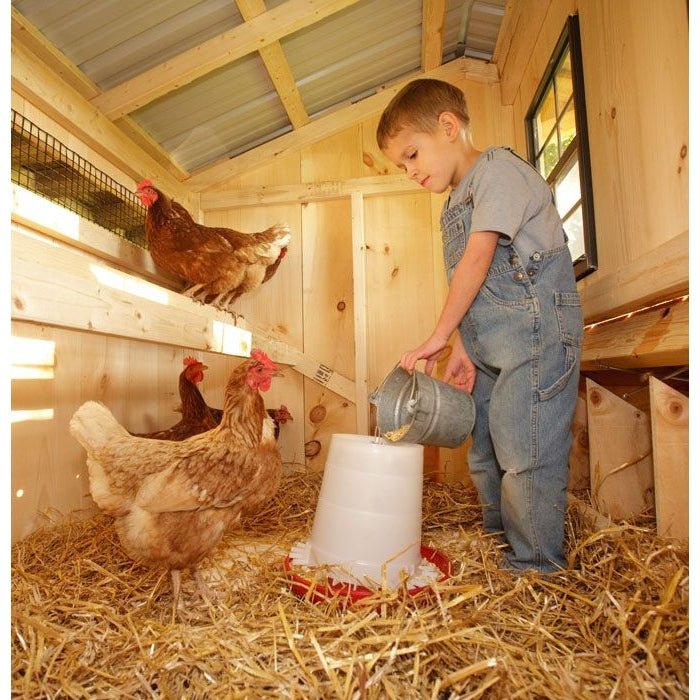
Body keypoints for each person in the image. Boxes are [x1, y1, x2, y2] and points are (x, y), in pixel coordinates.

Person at [376, 78, 583, 573]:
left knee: (525, 449)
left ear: (448, 127)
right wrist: (464, 348)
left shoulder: (499, 172)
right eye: (401, 165)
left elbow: (478, 258)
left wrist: (438, 337)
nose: (408, 171)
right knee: (485, 448)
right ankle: (499, 544)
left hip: (536, 336)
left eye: (411, 155)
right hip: (492, 343)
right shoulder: (453, 202)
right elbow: (479, 290)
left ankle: (537, 567)